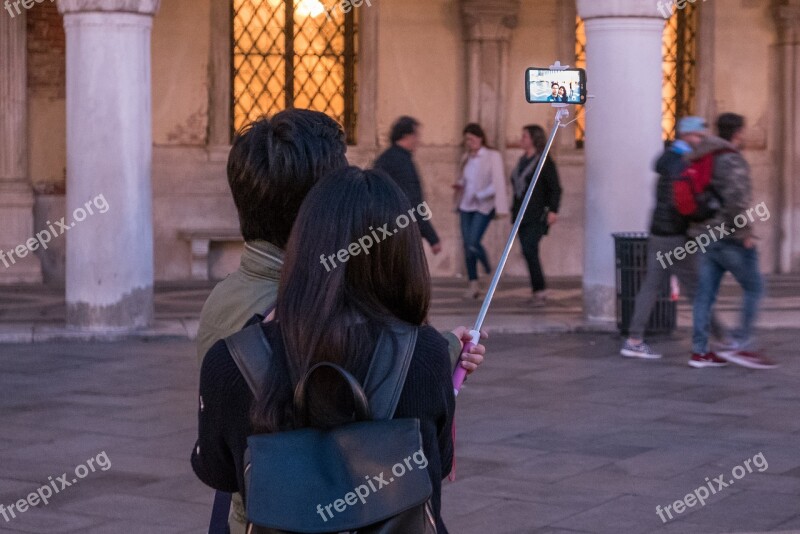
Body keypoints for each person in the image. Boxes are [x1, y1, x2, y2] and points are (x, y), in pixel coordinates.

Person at [195, 110, 486, 533]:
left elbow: (217, 464)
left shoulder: (225, 300)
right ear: (321, 210)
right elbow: (362, 403)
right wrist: (434, 354)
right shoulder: (303, 309)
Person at [620, 117, 729, 360]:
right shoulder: (682, 163)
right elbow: (684, 204)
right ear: (687, 135)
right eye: (699, 136)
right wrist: (707, 210)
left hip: (661, 231)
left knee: (652, 285)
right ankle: (723, 338)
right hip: (675, 236)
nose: (701, 140)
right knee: (697, 288)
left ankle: (634, 339)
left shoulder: (670, 159)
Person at [690, 113, 777, 369]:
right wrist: (745, 234)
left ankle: (699, 350)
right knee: (755, 287)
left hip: (704, 234)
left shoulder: (703, 155)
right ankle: (740, 343)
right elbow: (736, 203)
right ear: (738, 132)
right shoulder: (731, 159)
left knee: (704, 294)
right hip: (727, 237)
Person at [454, 123, 509, 299]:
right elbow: (464, 179)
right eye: (467, 140)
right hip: (465, 206)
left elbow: (498, 183)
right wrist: (459, 185)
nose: (470, 142)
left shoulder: (493, 156)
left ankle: (488, 269)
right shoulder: (466, 157)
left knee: (472, 241)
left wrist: (480, 194)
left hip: (483, 206)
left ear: (480, 137)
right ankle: (473, 284)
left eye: (473, 138)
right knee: (466, 245)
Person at [510, 125, 562, 306]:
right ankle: (537, 289)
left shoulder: (544, 161)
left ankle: (539, 290)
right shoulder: (522, 160)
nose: (522, 139)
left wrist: (553, 210)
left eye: (525, 136)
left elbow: (555, 188)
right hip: (521, 214)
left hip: (537, 214)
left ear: (534, 139)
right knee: (527, 250)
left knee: (529, 248)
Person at [373, 116, 441, 254]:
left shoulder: (386, 158)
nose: (418, 140)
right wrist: (432, 237)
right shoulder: (400, 163)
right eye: (416, 135)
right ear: (406, 136)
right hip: (399, 231)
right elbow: (412, 202)